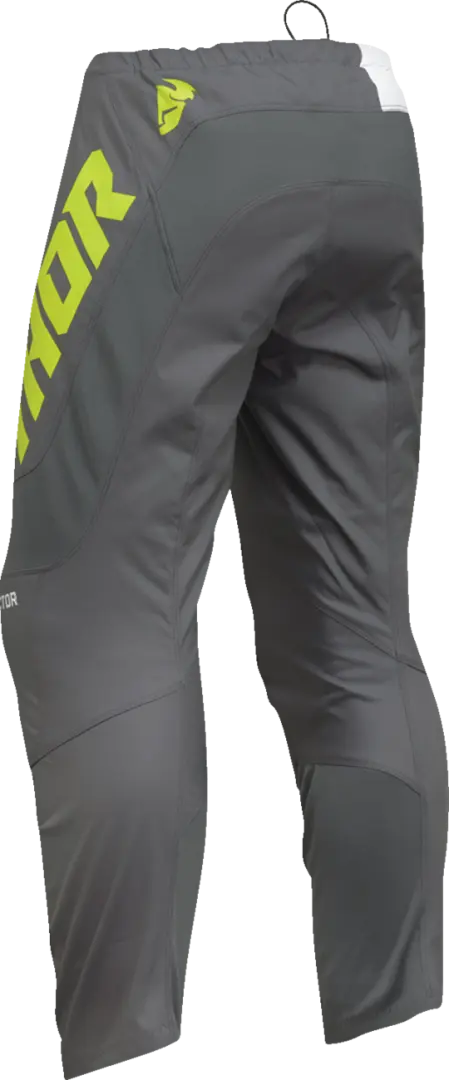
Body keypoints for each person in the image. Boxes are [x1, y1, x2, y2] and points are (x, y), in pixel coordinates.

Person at [2, 25, 445, 1074]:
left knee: (88, 607)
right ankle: (397, 1020)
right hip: (360, 109)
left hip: (177, 111)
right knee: (360, 633)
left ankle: (119, 1056)